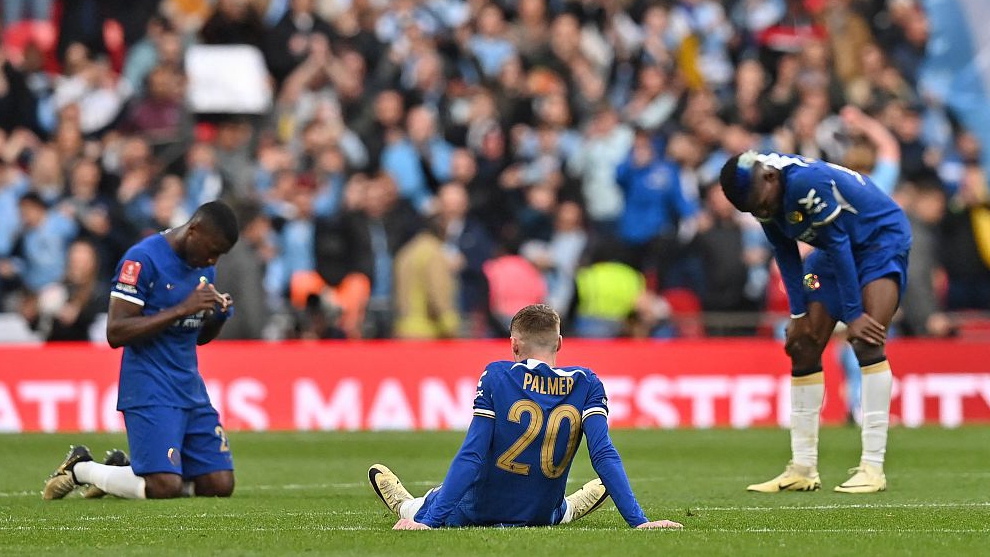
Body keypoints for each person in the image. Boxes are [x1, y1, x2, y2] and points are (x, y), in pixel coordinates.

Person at [368, 304, 683, 530]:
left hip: (478, 511)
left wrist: (427, 522)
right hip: (541, 512)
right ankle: (569, 507)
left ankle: (408, 504)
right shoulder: (587, 382)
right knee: (555, 506)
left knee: (432, 502)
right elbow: (603, 453)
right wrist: (640, 521)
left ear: (513, 345)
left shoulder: (496, 375)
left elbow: (472, 454)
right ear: (559, 342)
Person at [718, 151, 911, 494]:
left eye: (762, 204)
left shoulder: (806, 182)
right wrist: (798, 315)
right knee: (803, 344)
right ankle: (803, 468)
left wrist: (853, 314)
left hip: (879, 242)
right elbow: (785, 252)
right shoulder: (761, 194)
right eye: (753, 211)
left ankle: (873, 467)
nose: (762, 212)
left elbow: (838, 242)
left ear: (770, 178)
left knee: (867, 340)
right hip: (830, 255)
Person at [42, 200, 240, 500]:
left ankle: (124, 472)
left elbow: (198, 338)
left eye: (220, 255)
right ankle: (81, 467)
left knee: (219, 485)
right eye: (212, 250)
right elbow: (116, 331)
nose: (213, 261)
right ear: (194, 231)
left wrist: (217, 317)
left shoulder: (203, 269)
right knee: (164, 487)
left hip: (189, 387)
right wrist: (181, 309)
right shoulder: (142, 260)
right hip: (149, 386)